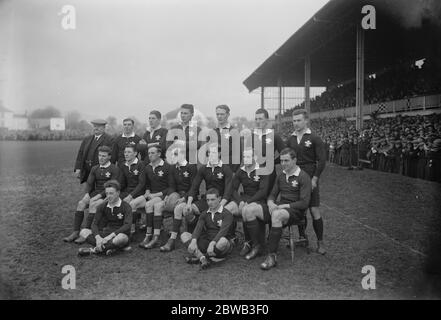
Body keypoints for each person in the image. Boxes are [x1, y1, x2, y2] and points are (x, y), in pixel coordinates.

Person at [260, 148, 311, 270]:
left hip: (296, 211)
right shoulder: (281, 176)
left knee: (277, 215)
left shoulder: (303, 177)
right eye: (281, 161)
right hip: (280, 207)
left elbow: (304, 203)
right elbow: (273, 194)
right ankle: (257, 246)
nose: (283, 164)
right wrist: (271, 202)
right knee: (252, 210)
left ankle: (272, 256)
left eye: (286, 160)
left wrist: (284, 206)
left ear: (295, 160)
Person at [287, 109, 327, 254]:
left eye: (298, 120)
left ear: (306, 121)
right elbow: (284, 156)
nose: (296, 123)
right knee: (299, 208)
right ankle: (303, 238)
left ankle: (320, 242)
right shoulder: (290, 139)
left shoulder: (314, 138)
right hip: (296, 177)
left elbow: (322, 161)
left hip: (310, 177)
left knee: (314, 209)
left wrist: (315, 178)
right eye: (294, 121)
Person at [63, 146, 120, 243]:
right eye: (99, 155)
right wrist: (87, 194)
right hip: (96, 193)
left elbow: (112, 186)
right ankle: (76, 232)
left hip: (108, 196)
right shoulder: (95, 168)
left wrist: (98, 197)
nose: (101, 158)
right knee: (81, 203)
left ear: (109, 157)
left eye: (104, 156)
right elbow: (89, 183)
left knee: (93, 205)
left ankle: (85, 233)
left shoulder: (114, 169)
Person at [181, 188, 236, 270]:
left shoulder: (227, 214)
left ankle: (201, 257)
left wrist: (212, 243)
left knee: (223, 241)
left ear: (219, 199)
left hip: (220, 245)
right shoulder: (204, 213)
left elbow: (223, 232)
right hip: (207, 241)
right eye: (208, 200)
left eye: (213, 199)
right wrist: (193, 241)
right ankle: (203, 258)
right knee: (184, 235)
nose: (210, 202)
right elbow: (198, 229)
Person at [183, 144, 234, 233]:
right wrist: (188, 203)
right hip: (208, 199)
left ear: (219, 154)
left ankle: (227, 235)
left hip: (221, 200)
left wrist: (220, 205)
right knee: (187, 211)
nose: (211, 155)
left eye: (213, 153)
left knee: (220, 214)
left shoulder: (226, 169)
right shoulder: (203, 168)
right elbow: (194, 187)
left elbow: (228, 191)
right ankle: (197, 234)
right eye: (209, 153)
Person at [231, 148, 271, 260]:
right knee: (228, 209)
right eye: (244, 157)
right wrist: (240, 201)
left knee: (246, 210)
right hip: (245, 199)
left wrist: (247, 202)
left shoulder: (262, 170)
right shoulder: (241, 171)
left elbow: (263, 192)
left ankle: (255, 245)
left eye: (248, 156)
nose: (245, 159)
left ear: (255, 158)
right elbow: (233, 189)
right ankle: (230, 240)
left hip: (259, 201)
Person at [77, 180, 132, 256]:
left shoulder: (126, 206)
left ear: (118, 193)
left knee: (121, 238)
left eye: (111, 193)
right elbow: (94, 224)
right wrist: (98, 238)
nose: (108, 196)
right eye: (107, 193)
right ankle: (111, 248)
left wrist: (110, 236)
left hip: (119, 235)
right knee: (83, 232)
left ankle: (94, 250)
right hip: (105, 234)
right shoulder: (102, 206)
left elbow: (127, 225)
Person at [159, 145, 198, 252]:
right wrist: (168, 195)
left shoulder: (191, 167)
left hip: (191, 196)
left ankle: (172, 240)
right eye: (172, 155)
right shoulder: (172, 167)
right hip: (177, 195)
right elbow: (172, 186)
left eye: (176, 154)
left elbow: (195, 188)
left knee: (178, 208)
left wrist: (184, 198)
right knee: (164, 204)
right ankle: (160, 234)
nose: (173, 157)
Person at [138, 146, 174, 249]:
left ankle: (155, 237)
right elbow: (148, 183)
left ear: (159, 154)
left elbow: (171, 187)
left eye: (152, 153)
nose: (150, 155)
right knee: (143, 204)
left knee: (149, 205)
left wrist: (156, 195)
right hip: (152, 195)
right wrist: (148, 191)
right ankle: (149, 236)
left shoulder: (167, 167)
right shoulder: (148, 167)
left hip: (162, 195)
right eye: (149, 153)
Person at [118, 144, 147, 236]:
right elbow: (121, 183)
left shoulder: (141, 164)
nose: (126, 154)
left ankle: (132, 230)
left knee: (130, 204)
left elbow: (142, 184)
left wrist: (130, 196)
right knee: (114, 200)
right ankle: (116, 226)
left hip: (140, 193)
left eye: (129, 152)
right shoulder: (123, 165)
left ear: (135, 153)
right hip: (127, 192)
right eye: (125, 152)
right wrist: (116, 192)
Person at [74, 119, 114, 184]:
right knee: (88, 189)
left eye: (98, 126)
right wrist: (78, 168)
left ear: (104, 128)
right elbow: (80, 154)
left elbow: (111, 156)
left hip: (101, 171)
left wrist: (107, 169)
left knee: (99, 189)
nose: (96, 128)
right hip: (87, 171)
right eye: (95, 126)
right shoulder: (87, 139)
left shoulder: (110, 139)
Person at [213, 104, 241, 172]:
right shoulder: (213, 132)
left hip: (228, 171)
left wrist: (231, 171)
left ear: (228, 114)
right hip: (214, 171)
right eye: (217, 114)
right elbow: (207, 153)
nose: (219, 116)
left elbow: (237, 155)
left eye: (222, 114)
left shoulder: (234, 132)